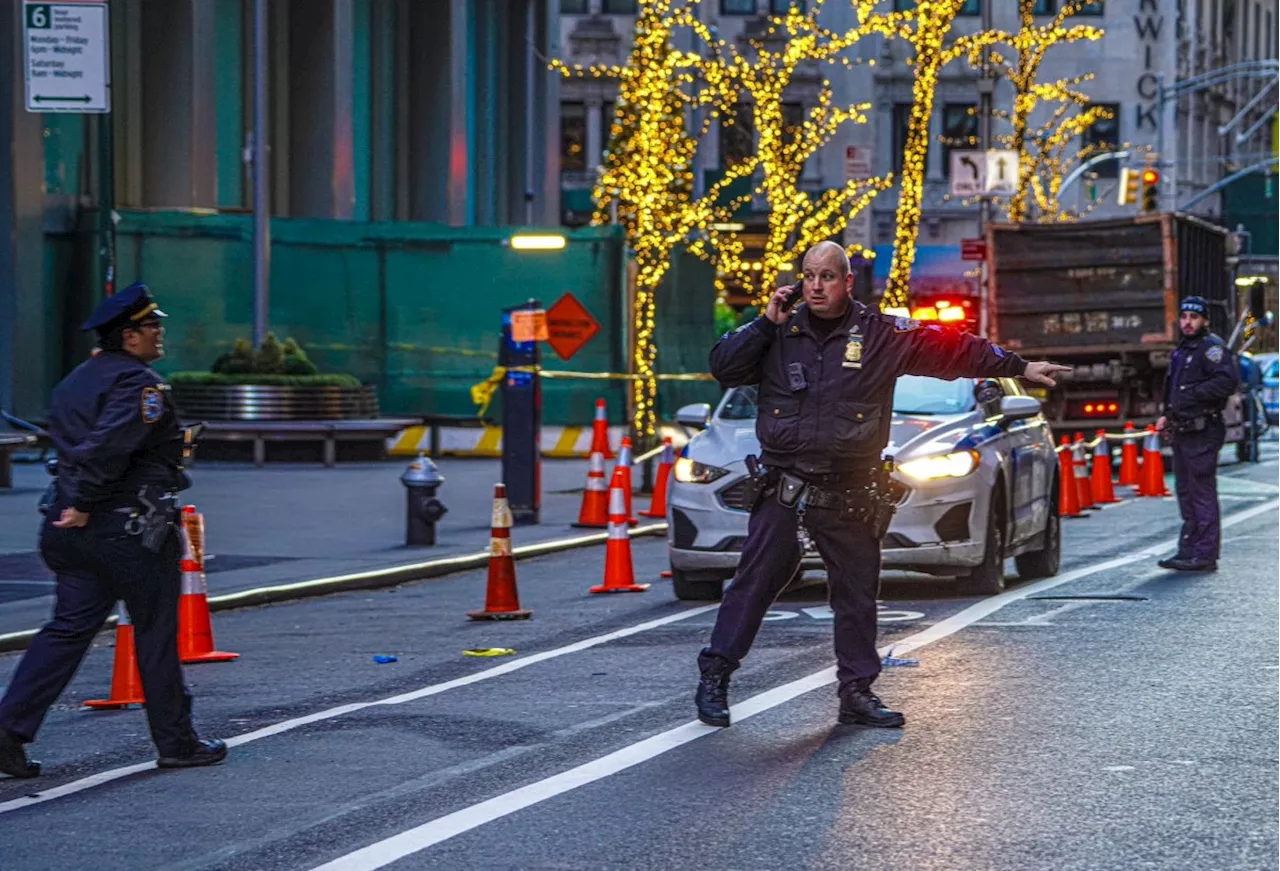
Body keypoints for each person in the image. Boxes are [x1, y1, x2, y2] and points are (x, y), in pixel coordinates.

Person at [695, 241, 1070, 729]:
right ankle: (716, 678)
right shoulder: (778, 330)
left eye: (826, 276)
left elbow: (951, 347)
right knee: (752, 583)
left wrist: (1019, 367)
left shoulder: (880, 334)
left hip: (849, 487)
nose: (815, 286)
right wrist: (766, 322)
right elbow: (724, 367)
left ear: (847, 282)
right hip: (784, 484)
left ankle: (856, 692)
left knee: (855, 595)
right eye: (808, 275)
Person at [0, 283, 226, 779]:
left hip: (67, 528)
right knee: (155, 633)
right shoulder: (141, 385)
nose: (159, 333)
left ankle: (8, 731)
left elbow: (78, 445)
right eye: (151, 327)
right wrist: (85, 501)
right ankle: (177, 742)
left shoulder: (74, 382)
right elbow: (110, 447)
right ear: (128, 336)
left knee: (67, 629)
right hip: (125, 529)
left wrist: (76, 502)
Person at [1155, 296, 1239, 572]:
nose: (1187, 322)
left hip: (1203, 431)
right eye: (1184, 317)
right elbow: (1173, 388)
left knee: (1201, 492)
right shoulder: (1183, 350)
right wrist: (1167, 413)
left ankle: (1204, 554)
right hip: (1183, 431)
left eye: (1193, 317)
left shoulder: (1211, 349)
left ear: (1205, 320)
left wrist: (1192, 396)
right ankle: (1188, 549)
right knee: (1185, 492)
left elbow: (1226, 382)